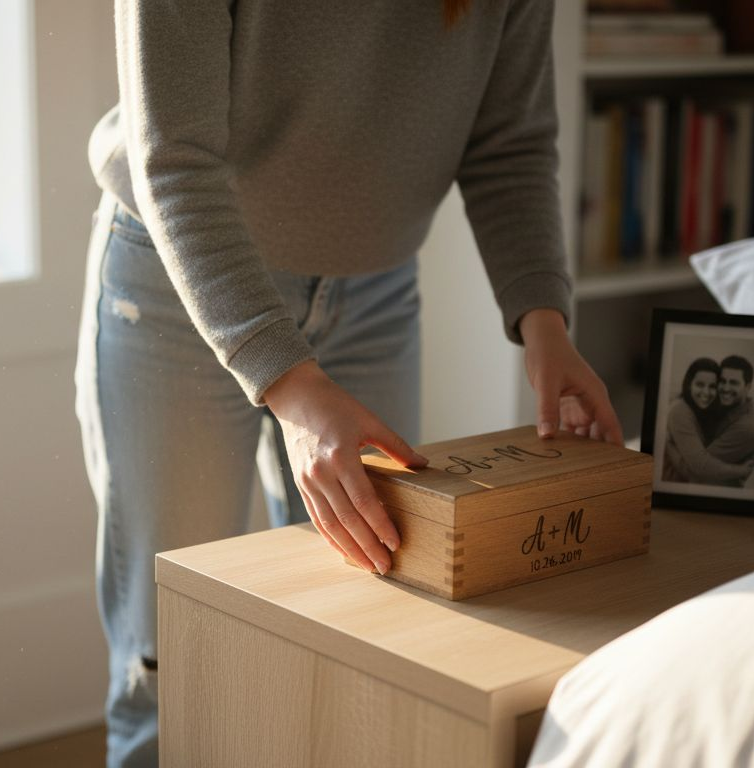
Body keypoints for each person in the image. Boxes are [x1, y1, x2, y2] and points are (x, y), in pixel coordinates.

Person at [75, 2, 622, 765]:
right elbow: (175, 159)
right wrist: (290, 384)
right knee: (167, 653)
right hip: (183, 287)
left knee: (367, 622)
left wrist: (545, 325)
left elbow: (511, 146)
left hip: (376, 293)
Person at [662, 357, 754, 485]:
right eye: (700, 385)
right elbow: (700, 465)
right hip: (672, 487)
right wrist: (740, 471)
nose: (706, 392)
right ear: (689, 385)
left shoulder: (703, 409)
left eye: (712, 386)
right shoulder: (679, 410)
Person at [702, 355, 754, 487]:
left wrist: (670, 443)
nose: (725, 388)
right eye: (722, 381)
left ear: (748, 387)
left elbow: (698, 465)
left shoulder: (748, 428)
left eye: (733, 383)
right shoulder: (725, 409)